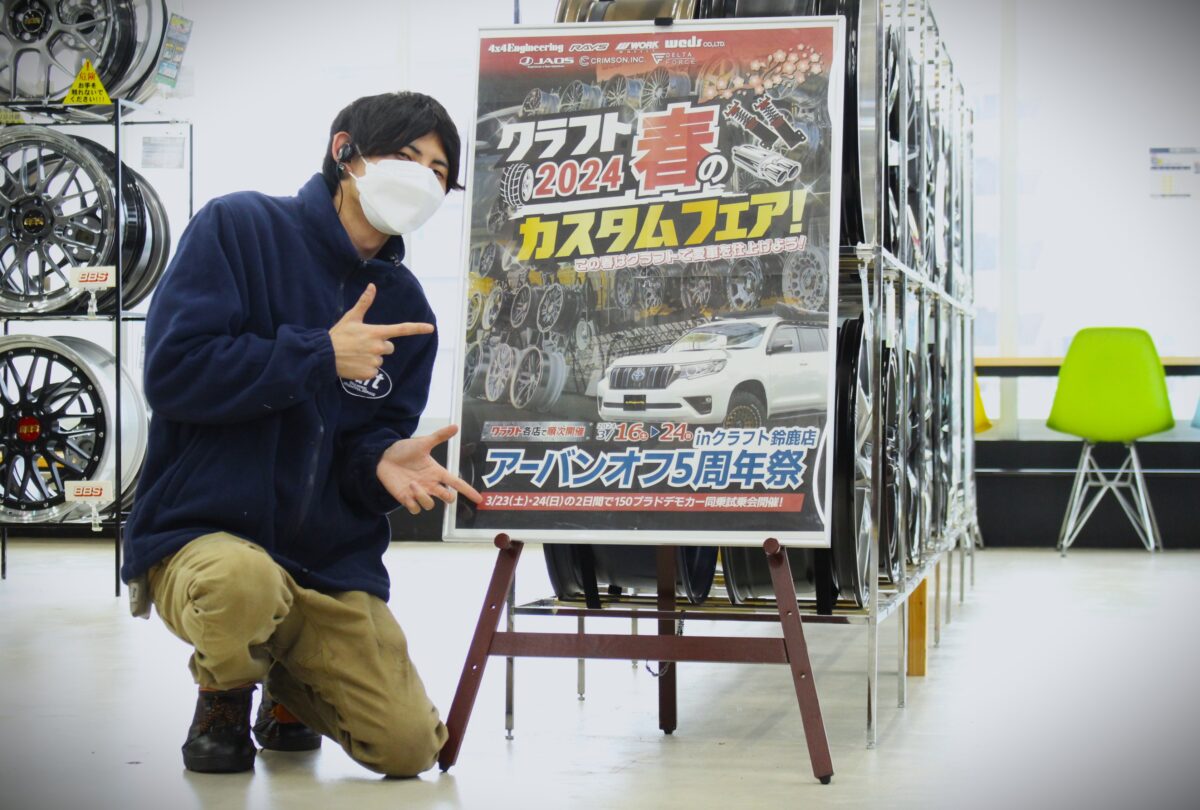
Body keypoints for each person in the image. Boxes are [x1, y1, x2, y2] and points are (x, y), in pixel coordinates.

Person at [120, 91, 482, 777]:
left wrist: (379, 462)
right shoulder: (239, 228)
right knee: (243, 584)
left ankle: (286, 681)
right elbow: (174, 373)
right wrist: (317, 354)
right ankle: (224, 693)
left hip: (325, 563)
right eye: (407, 158)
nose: (424, 179)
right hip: (204, 535)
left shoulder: (406, 307)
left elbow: (363, 445)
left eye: (439, 171)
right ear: (345, 152)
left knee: (407, 746)